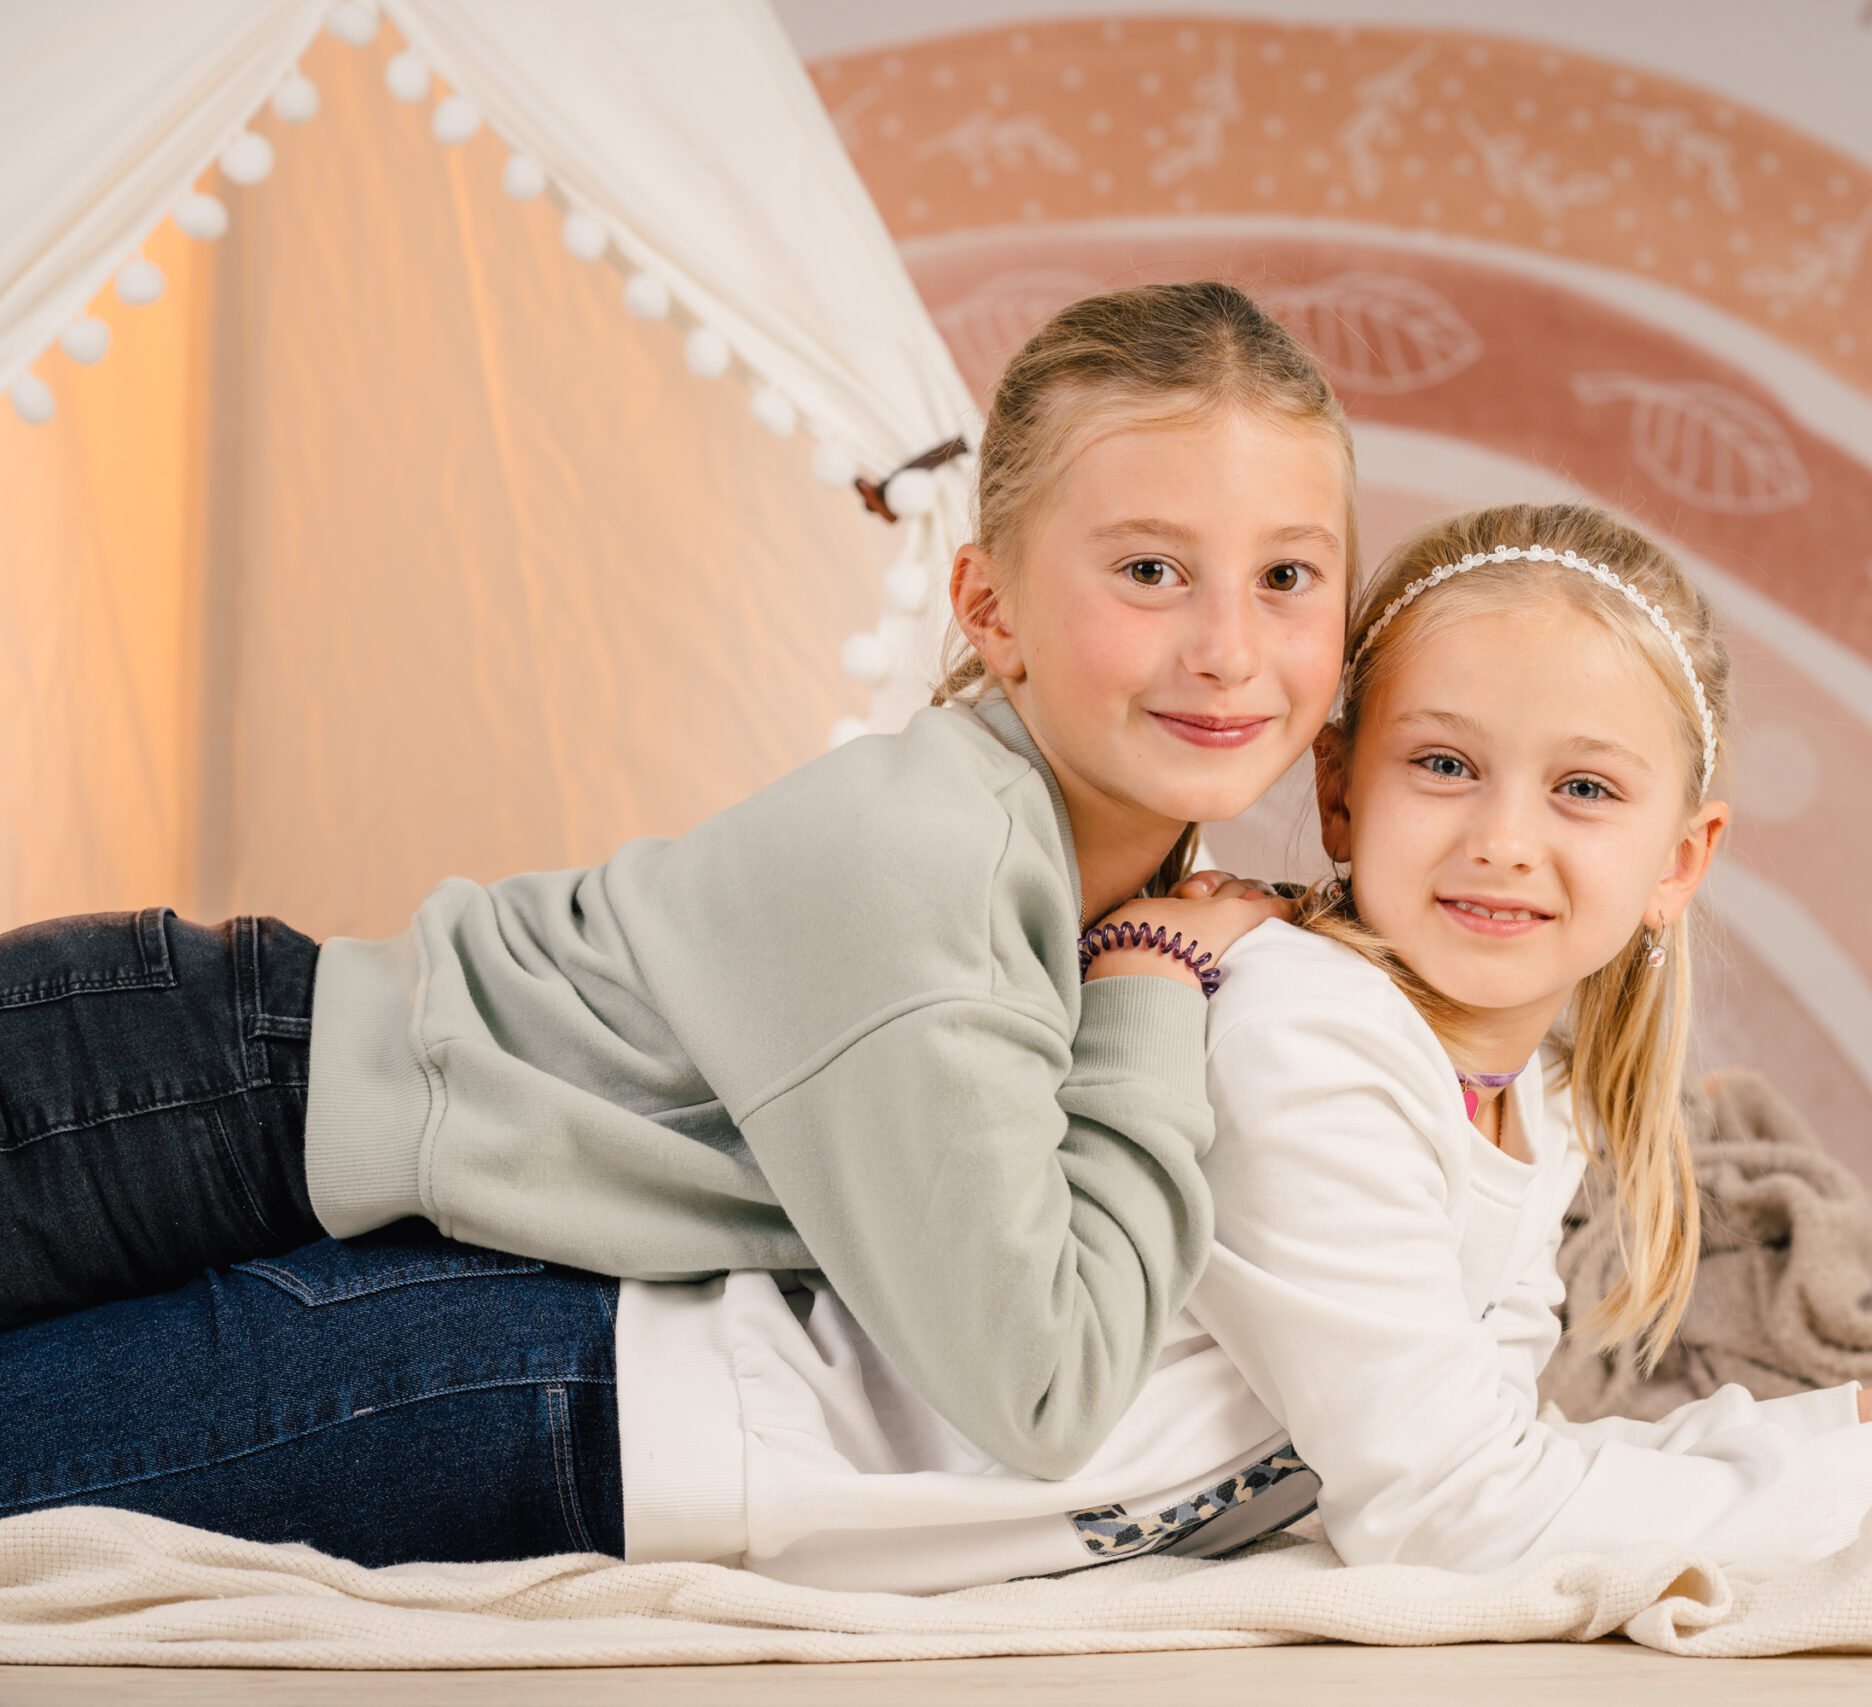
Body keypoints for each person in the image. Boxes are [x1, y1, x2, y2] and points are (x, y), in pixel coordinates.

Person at [0, 503, 1872, 1582]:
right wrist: (1866, 1476)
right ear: (1337, 794)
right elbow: (1454, 1510)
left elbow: (1467, 1437)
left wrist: (1852, 1413)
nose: (1505, 839)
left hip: (590, 1410)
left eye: (1581, 791)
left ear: (1681, 857)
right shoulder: (1309, 1034)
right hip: (552, 1392)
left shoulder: (1533, 1103)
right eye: (1445, 767)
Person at [0, 280, 1354, 1481]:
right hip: (161, 1095)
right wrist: (1152, 984)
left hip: (262, 1128)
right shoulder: (938, 854)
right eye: (1151, 570)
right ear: (989, 607)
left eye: (1286, 575)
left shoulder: (1071, 847)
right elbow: (1042, 1390)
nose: (1229, 648)